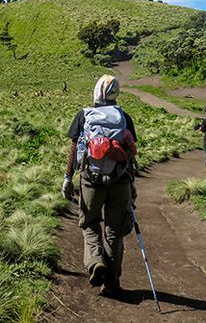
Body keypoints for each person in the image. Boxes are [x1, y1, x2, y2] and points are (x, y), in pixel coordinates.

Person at [61, 75, 138, 297]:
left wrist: (68, 178)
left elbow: (74, 149)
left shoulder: (84, 115)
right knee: (114, 232)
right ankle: (112, 282)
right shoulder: (124, 117)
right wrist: (132, 185)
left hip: (91, 181)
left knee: (89, 223)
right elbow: (130, 153)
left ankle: (95, 261)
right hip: (120, 181)